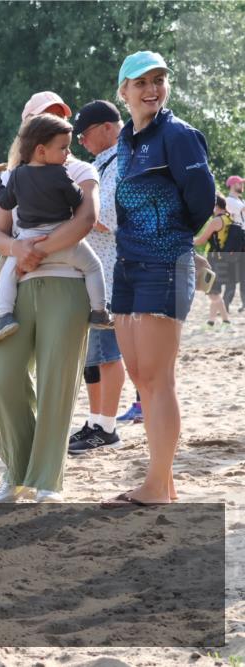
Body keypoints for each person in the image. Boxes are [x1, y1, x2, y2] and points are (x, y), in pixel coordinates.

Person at [102, 52, 215, 507]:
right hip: (127, 266)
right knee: (139, 376)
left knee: (158, 379)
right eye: (142, 82)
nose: (152, 89)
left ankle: (156, 486)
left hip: (165, 264)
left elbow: (201, 202)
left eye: (159, 80)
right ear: (123, 91)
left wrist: (169, 239)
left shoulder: (178, 135)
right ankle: (161, 482)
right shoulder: (127, 140)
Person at [0, 92, 101, 503]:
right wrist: (19, 250)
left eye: (59, 116)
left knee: (57, 385)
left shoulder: (80, 168)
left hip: (67, 282)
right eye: (42, 117)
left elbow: (87, 218)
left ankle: (47, 479)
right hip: (16, 283)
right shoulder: (14, 175)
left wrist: (40, 249)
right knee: (4, 380)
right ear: (29, 131)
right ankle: (16, 471)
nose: (53, 121)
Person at [0, 114, 112, 344]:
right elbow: (77, 199)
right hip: (63, 241)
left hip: (27, 239)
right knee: (93, 267)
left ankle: (4, 316)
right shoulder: (61, 173)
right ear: (41, 150)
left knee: (7, 275)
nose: (67, 154)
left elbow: (4, 201)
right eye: (64, 148)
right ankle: (99, 310)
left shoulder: (17, 175)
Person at [66, 100, 129, 455]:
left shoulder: (120, 162)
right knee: (95, 353)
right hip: (97, 270)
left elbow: (106, 216)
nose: (81, 141)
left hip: (110, 268)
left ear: (107, 127)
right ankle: (97, 419)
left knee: (107, 352)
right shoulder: (103, 164)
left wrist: (72, 201)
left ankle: (107, 425)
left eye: (85, 134)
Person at [193, 195, 234, 330]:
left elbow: (201, 240)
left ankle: (226, 322)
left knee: (213, 293)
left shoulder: (216, 221)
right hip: (226, 260)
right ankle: (213, 322)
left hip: (214, 260)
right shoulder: (229, 218)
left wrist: (185, 242)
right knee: (214, 292)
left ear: (215, 206)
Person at [220, 175, 245, 312]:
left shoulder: (239, 200)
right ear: (233, 185)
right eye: (239, 184)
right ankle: (225, 304)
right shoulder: (229, 201)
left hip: (241, 237)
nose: (241, 186)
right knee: (232, 275)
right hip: (235, 238)